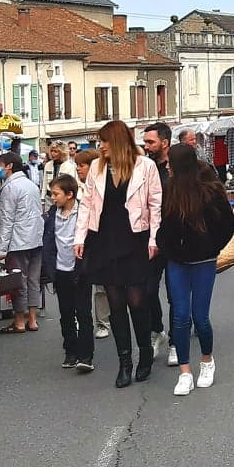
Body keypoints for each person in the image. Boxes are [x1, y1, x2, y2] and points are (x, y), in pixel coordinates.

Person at [81, 120, 164, 387]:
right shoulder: (97, 166)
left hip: (135, 239)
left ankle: (146, 354)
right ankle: (124, 361)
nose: (100, 145)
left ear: (116, 141)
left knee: (137, 301)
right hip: (104, 240)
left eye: (104, 141)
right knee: (115, 304)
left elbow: (155, 205)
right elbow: (87, 204)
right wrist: (79, 237)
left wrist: (154, 238)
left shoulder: (145, 166)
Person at [156, 144, 234, 395]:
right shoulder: (169, 189)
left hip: (203, 261)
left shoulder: (210, 190)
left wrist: (211, 248)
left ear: (180, 164)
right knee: (180, 316)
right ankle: (184, 372)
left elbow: (228, 223)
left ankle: (206, 360)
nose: (167, 166)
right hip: (177, 262)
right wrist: (167, 247)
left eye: (170, 162)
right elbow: (165, 224)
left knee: (200, 317)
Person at [0, 151, 45, 334]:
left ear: (9, 166)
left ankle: (19, 321)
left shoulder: (10, 188)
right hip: (36, 238)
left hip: (18, 241)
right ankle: (32, 320)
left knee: (17, 281)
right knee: (34, 280)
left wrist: (1, 249)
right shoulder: (31, 184)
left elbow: (7, 220)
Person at [43, 174, 92, 371]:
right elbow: (48, 241)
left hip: (80, 271)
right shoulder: (53, 214)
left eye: (56, 194)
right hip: (60, 271)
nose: (53, 198)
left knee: (83, 313)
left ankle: (86, 356)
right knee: (66, 314)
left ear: (70, 194)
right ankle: (70, 351)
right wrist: (50, 268)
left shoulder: (83, 213)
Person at [142, 122, 175, 363]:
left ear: (164, 142)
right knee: (147, 290)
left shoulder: (178, 166)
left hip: (175, 238)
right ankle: (157, 330)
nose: (146, 146)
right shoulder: (143, 167)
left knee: (176, 293)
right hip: (150, 238)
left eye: (150, 142)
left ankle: (176, 340)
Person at [74, 148, 111, 340]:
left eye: (82, 165)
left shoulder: (103, 185)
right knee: (85, 283)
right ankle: (89, 319)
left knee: (102, 285)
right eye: (77, 165)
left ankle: (104, 321)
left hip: (99, 240)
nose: (79, 169)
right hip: (83, 241)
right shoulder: (75, 187)